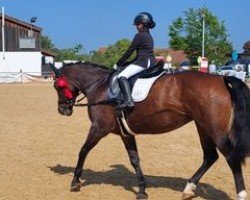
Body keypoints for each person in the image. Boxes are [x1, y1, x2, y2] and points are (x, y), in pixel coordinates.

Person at [115, 12, 156, 109]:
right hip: (151, 61)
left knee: (121, 76)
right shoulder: (149, 36)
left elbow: (129, 51)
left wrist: (118, 63)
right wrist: (128, 63)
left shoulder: (139, 35)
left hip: (143, 61)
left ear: (142, 24)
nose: (136, 26)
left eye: (137, 24)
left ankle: (129, 101)